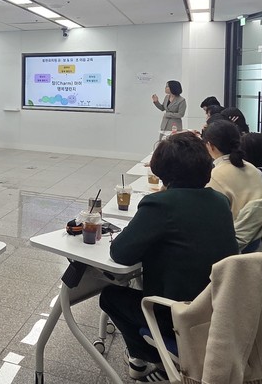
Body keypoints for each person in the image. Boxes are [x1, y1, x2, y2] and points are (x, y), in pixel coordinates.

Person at [99, 132, 238, 383]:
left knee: (111, 296)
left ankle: (152, 358)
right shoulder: (220, 201)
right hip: (218, 310)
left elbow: (120, 253)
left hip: (178, 315)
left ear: (163, 171)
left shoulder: (160, 205)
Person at [203, 120, 262, 218]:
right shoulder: (252, 168)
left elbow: (211, 214)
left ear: (210, 146)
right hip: (257, 225)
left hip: (232, 226)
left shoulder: (215, 176)